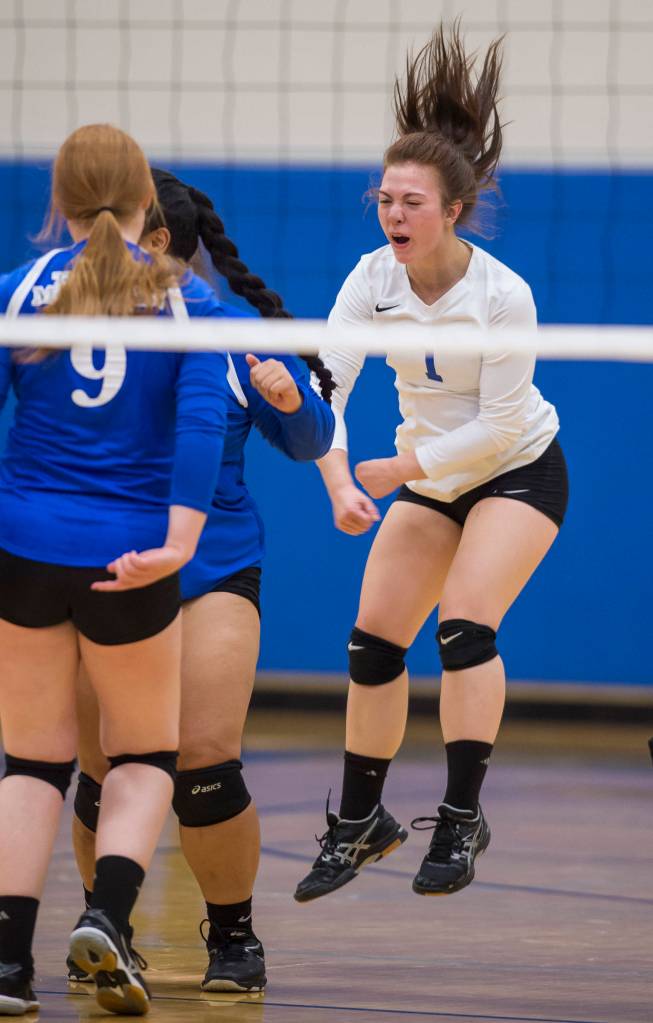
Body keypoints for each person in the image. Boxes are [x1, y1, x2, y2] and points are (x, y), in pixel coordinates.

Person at [294, 22, 568, 904]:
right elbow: (322, 386)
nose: (393, 215)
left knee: (461, 630)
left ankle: (458, 816)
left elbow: (495, 427)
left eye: (411, 202)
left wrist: (391, 469)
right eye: (384, 199)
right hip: (424, 474)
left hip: (514, 468)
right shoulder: (370, 277)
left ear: (452, 209)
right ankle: (360, 823)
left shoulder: (502, 294)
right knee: (372, 645)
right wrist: (337, 473)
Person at [68, 169, 335, 995]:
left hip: (211, 566)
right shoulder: (84, 331)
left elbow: (309, 438)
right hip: (104, 567)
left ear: (158, 245)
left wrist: (290, 398)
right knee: (100, 767)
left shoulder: (231, 335)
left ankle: (234, 936)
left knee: (206, 761)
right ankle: (103, 923)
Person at [0, 125, 232, 1016]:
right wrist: (177, 546)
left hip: (24, 547)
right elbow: (201, 423)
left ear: (57, 203)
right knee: (142, 754)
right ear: (149, 205)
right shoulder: (188, 304)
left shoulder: (18, 292)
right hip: (129, 557)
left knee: (31, 761)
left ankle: (9, 967)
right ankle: (105, 913)